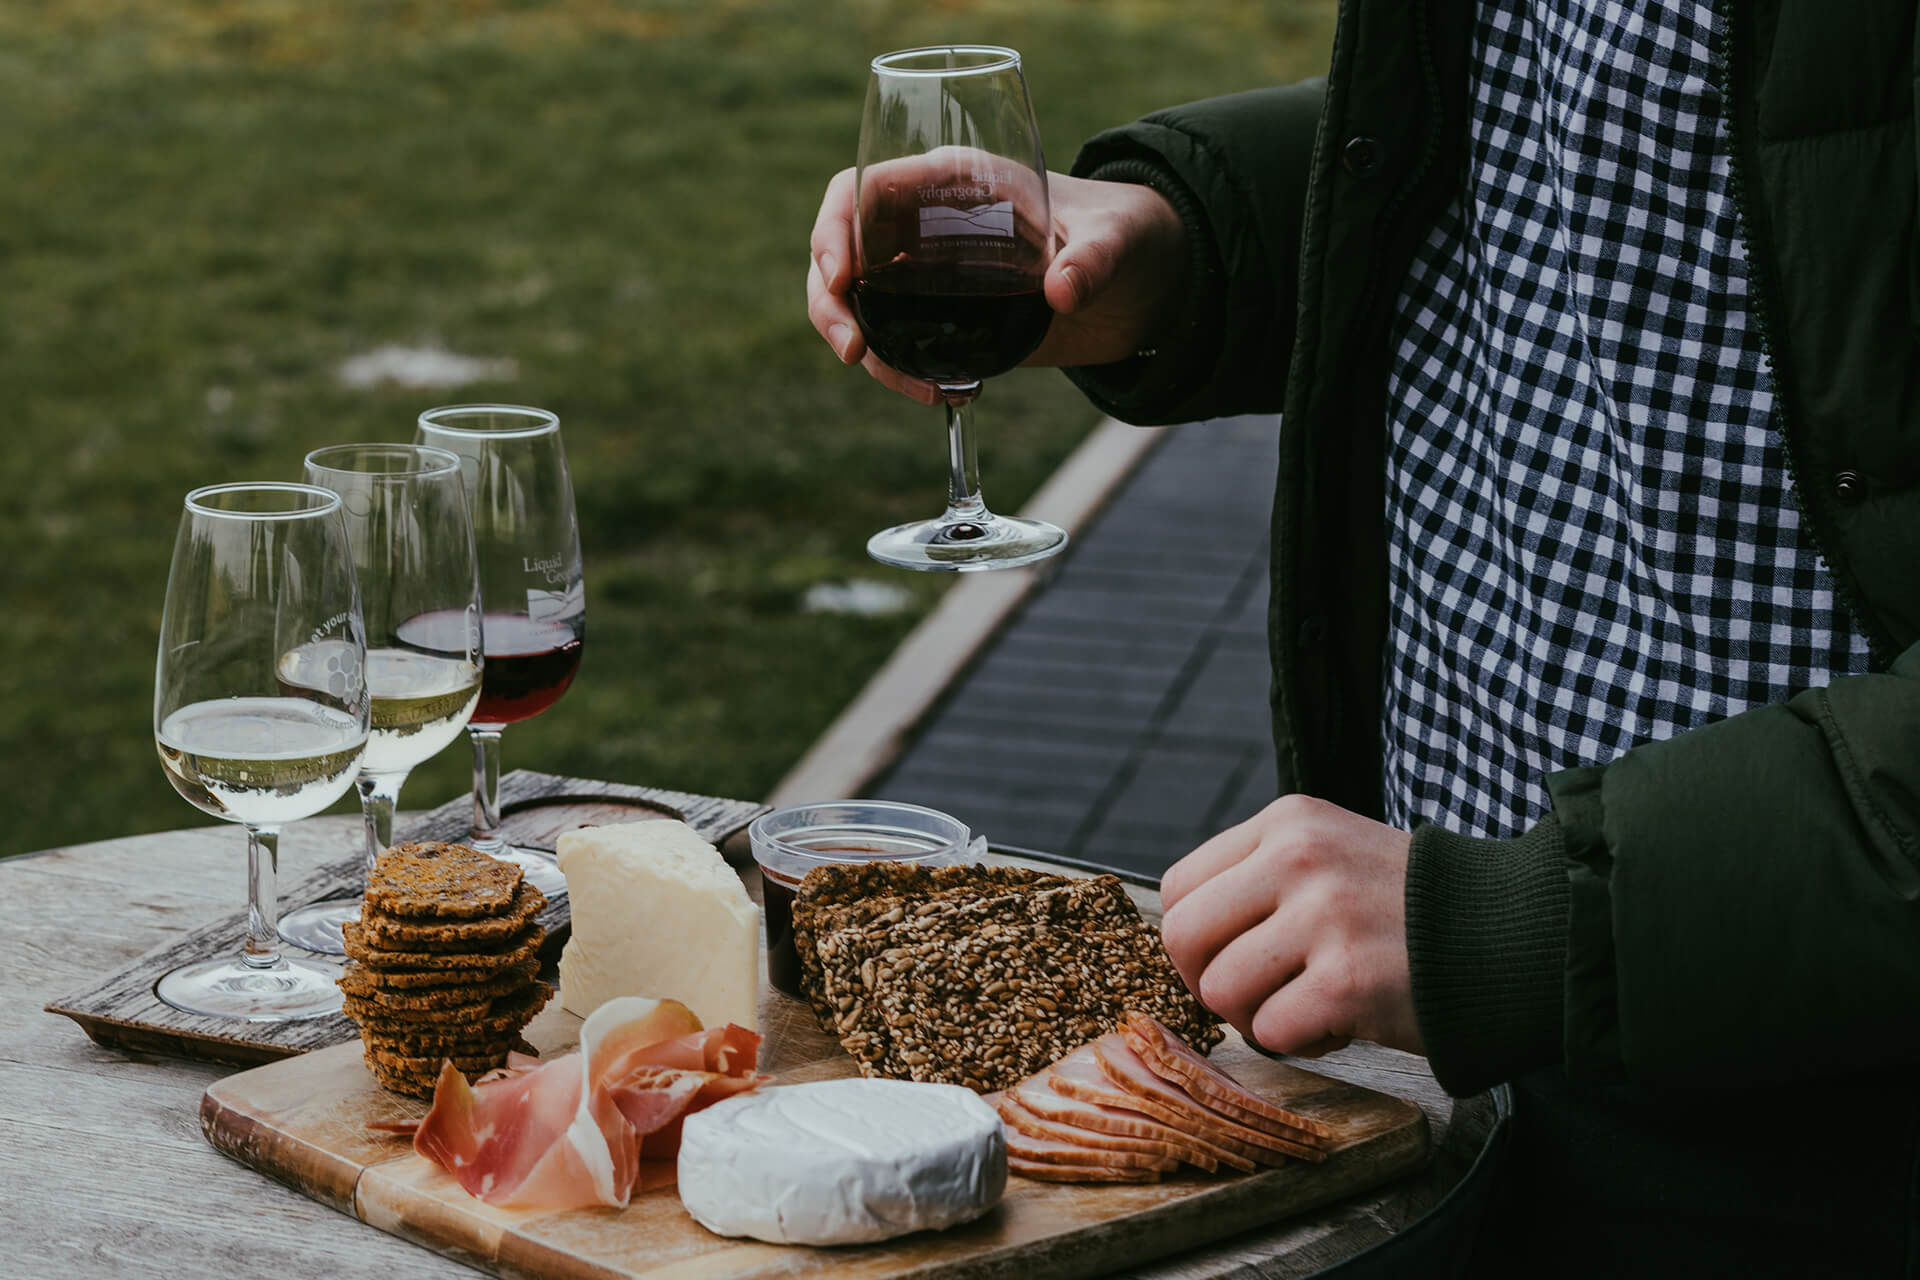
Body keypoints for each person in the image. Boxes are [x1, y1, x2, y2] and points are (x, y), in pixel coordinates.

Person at [809, 5, 1920, 1275]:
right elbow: (1578, 167)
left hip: (1820, 1113)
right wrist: (1188, 240)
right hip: (1436, 1053)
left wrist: (1526, 921)